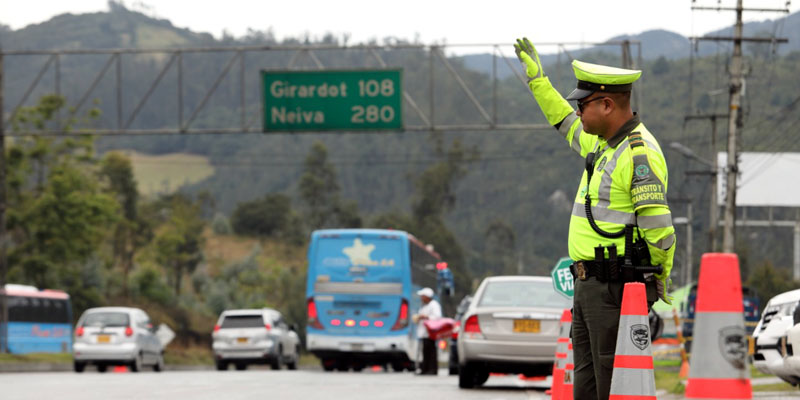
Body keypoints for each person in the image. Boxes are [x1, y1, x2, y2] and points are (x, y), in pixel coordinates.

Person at [514, 38, 675, 400]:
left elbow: (659, 230)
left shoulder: (638, 155)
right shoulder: (604, 146)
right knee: (585, 384)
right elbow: (564, 122)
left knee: (609, 382)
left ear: (606, 105)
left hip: (614, 289)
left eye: (584, 105)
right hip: (589, 287)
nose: (579, 112)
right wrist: (538, 80)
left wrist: (657, 281)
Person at [414, 287, 442, 375]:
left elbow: (437, 317)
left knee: (431, 352)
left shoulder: (434, 305)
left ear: (427, 296)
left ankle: (432, 370)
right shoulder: (424, 306)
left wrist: (425, 317)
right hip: (424, 333)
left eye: (422, 296)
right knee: (425, 352)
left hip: (430, 333)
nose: (421, 298)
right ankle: (424, 369)